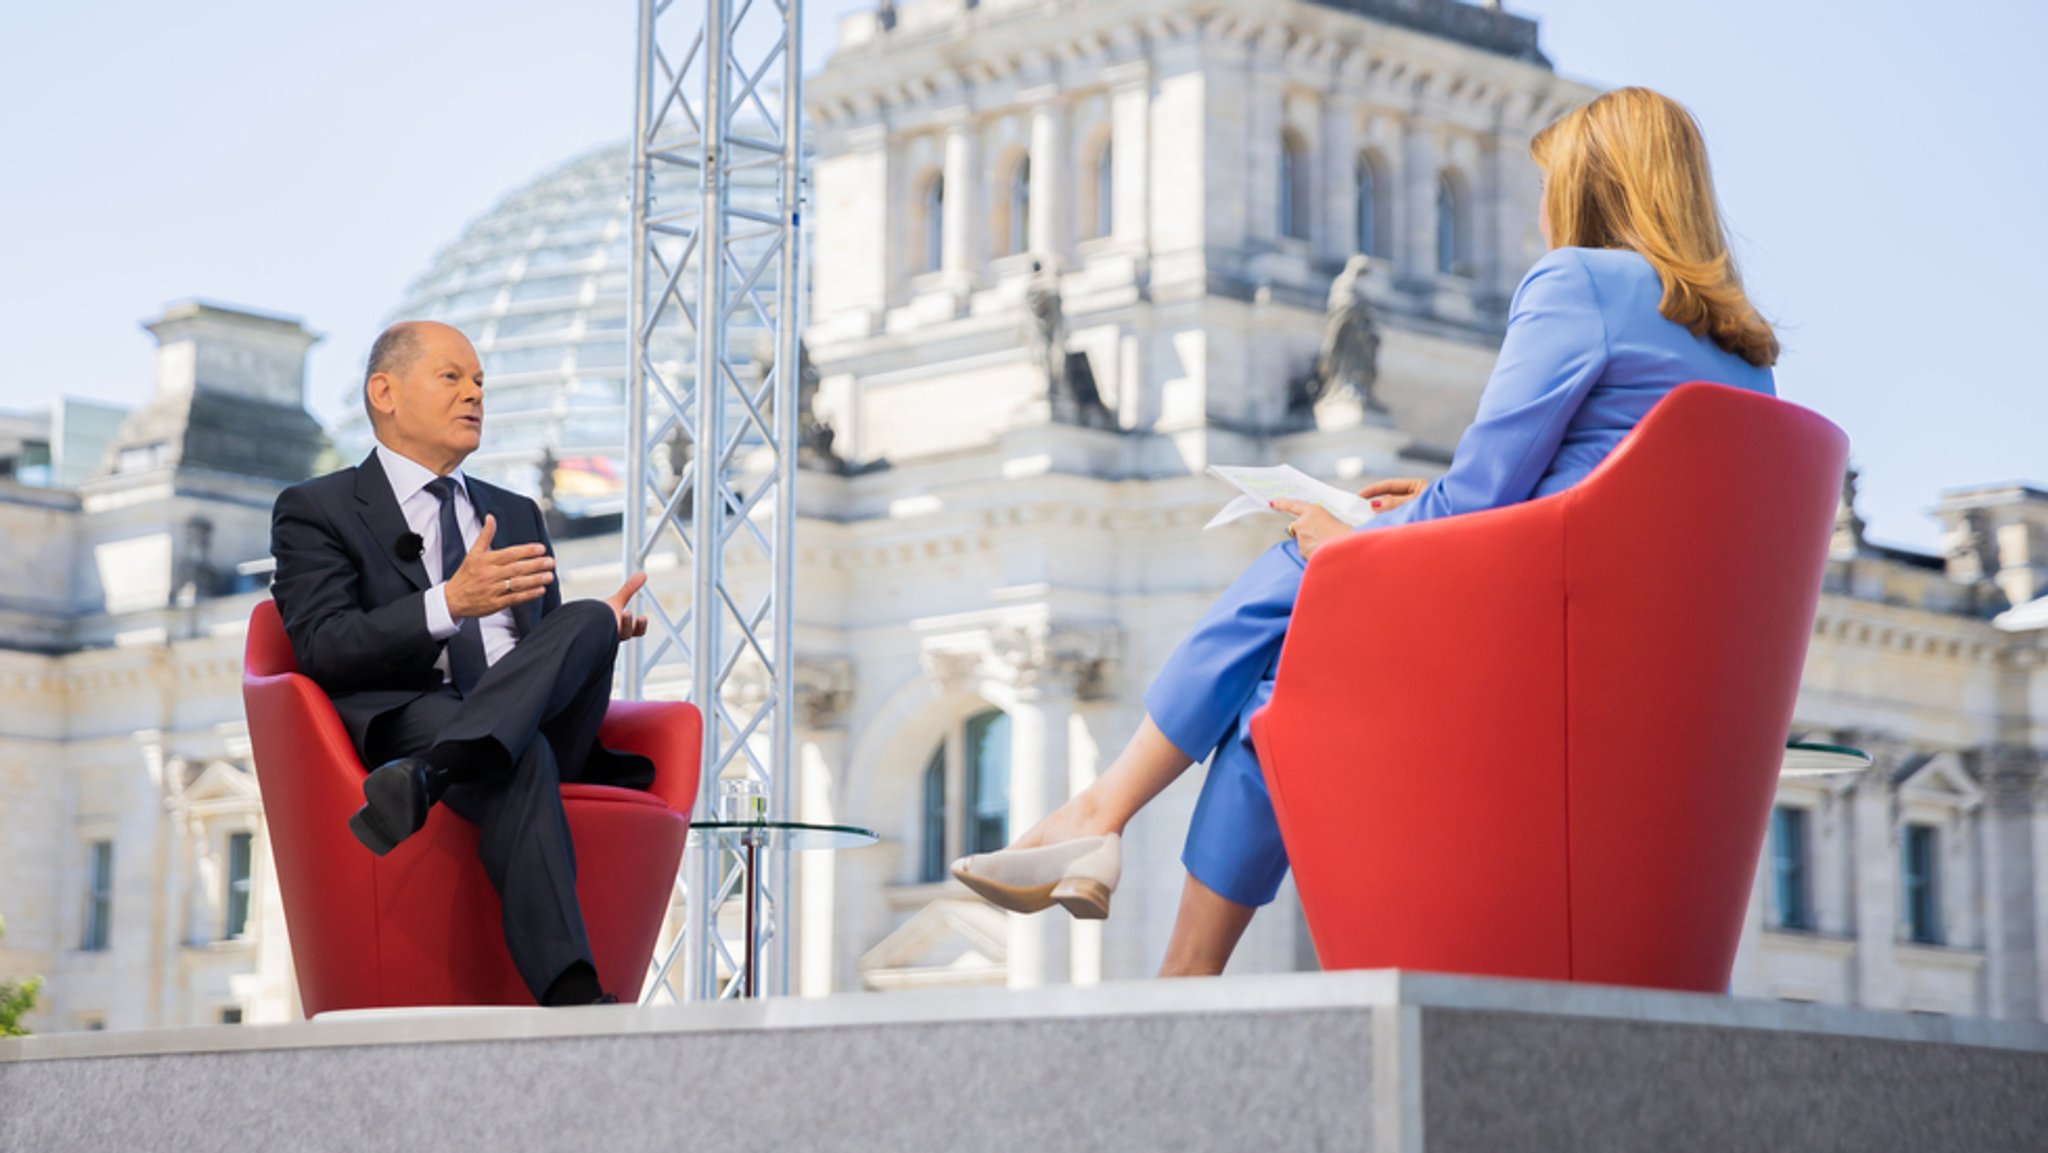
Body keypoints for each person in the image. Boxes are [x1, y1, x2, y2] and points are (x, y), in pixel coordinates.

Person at [951, 86, 1782, 976]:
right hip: (1652, 675)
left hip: (1541, 654)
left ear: (1588, 188)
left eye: (1546, 183)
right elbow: (1601, 501)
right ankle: (1151, 920)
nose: (1537, 209)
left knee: (1299, 564)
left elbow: (1478, 498)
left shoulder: (1578, 283)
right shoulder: (1743, 357)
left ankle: (1108, 834)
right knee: (1286, 693)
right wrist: (1415, 510)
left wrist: (1354, 539)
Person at [269, 321, 653, 1006]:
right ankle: (573, 992)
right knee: (518, 752)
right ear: (383, 392)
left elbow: (539, 655)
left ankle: (434, 774)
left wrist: (596, 640)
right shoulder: (317, 509)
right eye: (453, 377)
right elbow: (324, 645)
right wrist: (448, 602)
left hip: (518, 723)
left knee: (591, 617)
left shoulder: (516, 512)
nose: (475, 393)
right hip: (415, 715)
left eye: (480, 381)